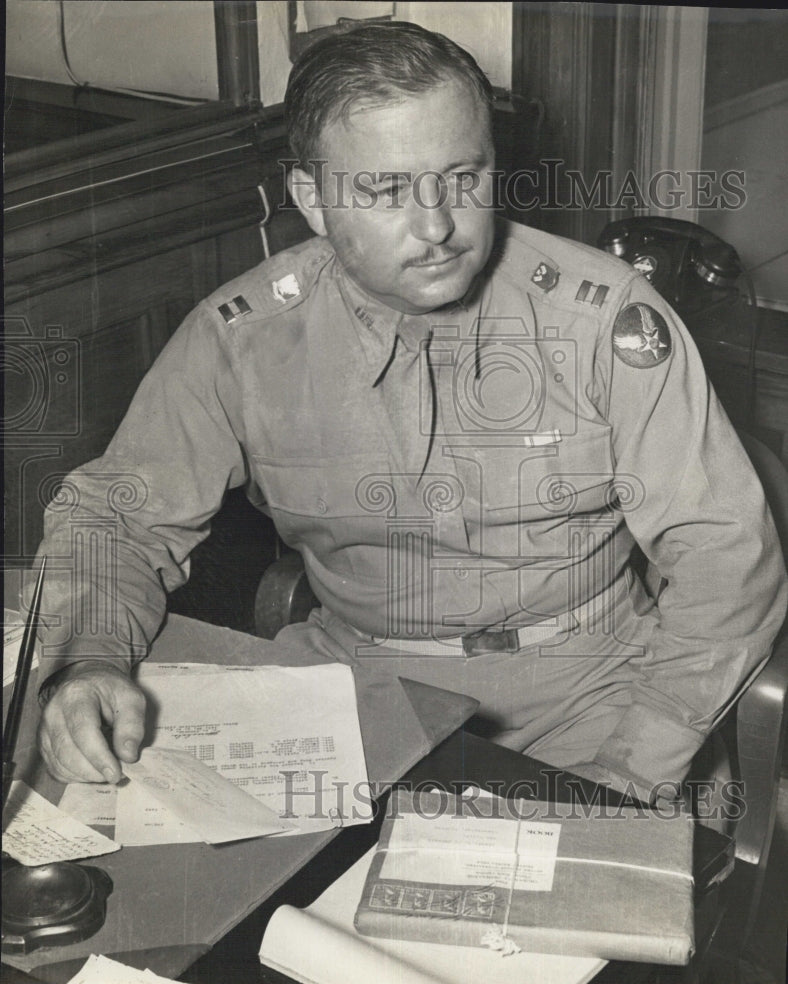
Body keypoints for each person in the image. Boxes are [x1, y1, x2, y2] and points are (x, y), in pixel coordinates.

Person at [31, 22, 787, 803]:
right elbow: (117, 520)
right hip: (353, 691)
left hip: (592, 692)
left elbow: (725, 558)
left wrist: (638, 758)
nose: (437, 229)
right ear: (314, 201)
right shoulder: (245, 340)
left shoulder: (601, 320)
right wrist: (89, 658)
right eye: (386, 190)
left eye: (462, 178)